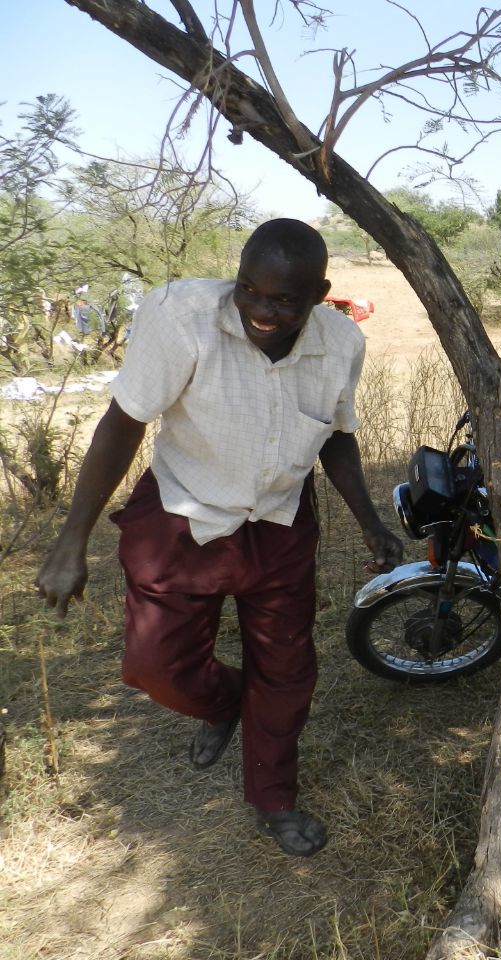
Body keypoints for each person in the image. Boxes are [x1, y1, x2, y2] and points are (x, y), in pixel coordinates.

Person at [35, 219, 402, 857]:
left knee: (286, 669)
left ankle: (274, 797)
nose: (262, 310)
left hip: (279, 519)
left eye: (285, 300)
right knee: (154, 667)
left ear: (320, 293)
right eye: (249, 290)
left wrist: (370, 519)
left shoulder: (340, 342)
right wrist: (71, 539)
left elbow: (336, 433)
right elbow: (123, 425)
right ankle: (225, 704)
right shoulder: (181, 317)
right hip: (183, 512)